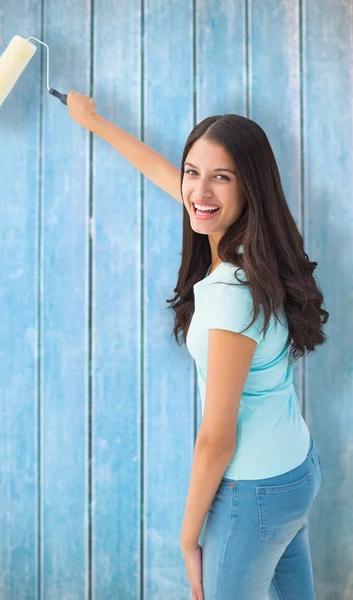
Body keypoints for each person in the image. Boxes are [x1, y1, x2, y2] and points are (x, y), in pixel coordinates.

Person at [67, 91, 328, 600]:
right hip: (297, 470)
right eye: (193, 172)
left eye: (221, 176)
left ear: (249, 187)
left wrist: (189, 538)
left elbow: (217, 439)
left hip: (252, 492)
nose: (197, 191)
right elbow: (170, 178)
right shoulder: (262, 246)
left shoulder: (231, 295)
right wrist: (93, 121)